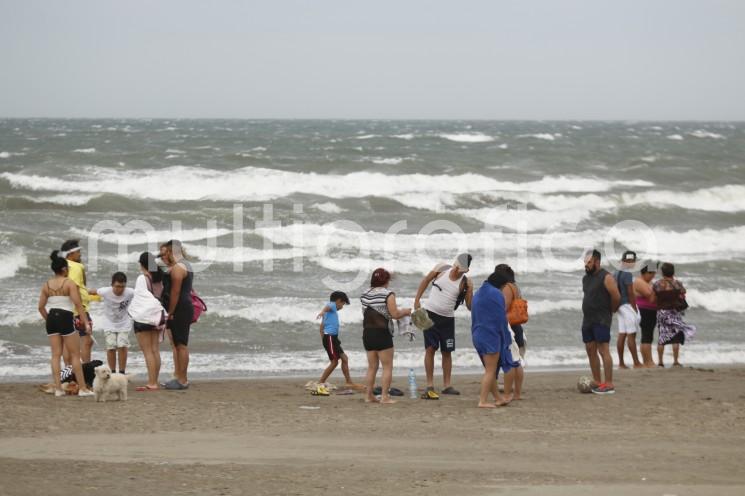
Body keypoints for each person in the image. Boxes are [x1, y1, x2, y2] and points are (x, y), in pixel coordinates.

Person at [413, 253, 473, 399]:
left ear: (466, 271)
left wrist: (470, 290)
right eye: (457, 267)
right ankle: (429, 385)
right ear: (455, 263)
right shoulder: (441, 268)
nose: (457, 271)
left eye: (462, 270)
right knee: (430, 349)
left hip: (447, 320)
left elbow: (470, 306)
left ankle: (447, 385)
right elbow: (426, 280)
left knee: (447, 351)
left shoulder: (465, 282)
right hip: (429, 314)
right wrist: (417, 300)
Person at [37, 250, 94, 397]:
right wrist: (86, 323)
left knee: (55, 355)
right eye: (67, 268)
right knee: (75, 354)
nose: (69, 270)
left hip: (52, 317)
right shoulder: (69, 283)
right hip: (65, 316)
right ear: (63, 269)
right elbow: (78, 304)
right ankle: (82, 388)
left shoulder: (46, 285)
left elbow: (41, 307)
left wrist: (49, 320)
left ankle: (58, 389)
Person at [360, 268, 411, 404]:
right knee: (387, 367)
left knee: (372, 367)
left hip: (368, 333)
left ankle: (368, 396)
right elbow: (394, 314)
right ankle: (384, 397)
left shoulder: (365, 294)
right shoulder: (389, 294)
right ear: (386, 280)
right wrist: (406, 312)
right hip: (382, 333)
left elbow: (366, 312)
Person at [470, 269, 520, 408]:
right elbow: (501, 319)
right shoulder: (496, 293)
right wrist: (506, 339)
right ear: (501, 284)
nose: (505, 288)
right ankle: (483, 401)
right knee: (491, 371)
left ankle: (498, 398)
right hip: (490, 335)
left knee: (488, 370)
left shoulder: (479, 293)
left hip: (476, 334)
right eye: (504, 285)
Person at [582, 249, 621, 395]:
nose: (586, 265)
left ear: (597, 262)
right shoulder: (585, 278)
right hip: (588, 319)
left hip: (602, 318)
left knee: (603, 349)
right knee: (590, 349)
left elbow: (616, 296)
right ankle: (598, 381)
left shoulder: (607, 277)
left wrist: (612, 310)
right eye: (585, 262)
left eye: (589, 262)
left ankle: (609, 383)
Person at [128, 252, 167, 391]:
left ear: (142, 264)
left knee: (147, 352)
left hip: (143, 317)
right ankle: (154, 380)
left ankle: (152, 383)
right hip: (157, 316)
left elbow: (139, 299)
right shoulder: (159, 278)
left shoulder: (142, 278)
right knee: (155, 350)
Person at [160, 240, 194, 390]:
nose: (165, 254)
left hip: (180, 308)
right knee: (179, 344)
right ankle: (180, 377)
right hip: (185, 306)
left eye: (166, 252)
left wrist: (171, 312)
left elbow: (175, 292)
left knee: (181, 345)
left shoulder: (178, 268)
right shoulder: (185, 265)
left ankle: (182, 379)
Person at [87, 272, 134, 374]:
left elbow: (144, 294)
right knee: (111, 346)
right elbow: (91, 291)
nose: (120, 289)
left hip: (124, 323)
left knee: (122, 346)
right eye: (117, 286)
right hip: (109, 323)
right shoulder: (105, 291)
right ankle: (112, 372)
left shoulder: (130, 292)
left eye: (122, 287)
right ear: (112, 285)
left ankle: (122, 372)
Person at [653, 263, 696, 367]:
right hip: (674, 312)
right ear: (673, 272)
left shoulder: (657, 284)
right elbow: (683, 292)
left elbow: (653, 298)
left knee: (662, 336)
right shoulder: (677, 283)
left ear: (662, 272)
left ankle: (660, 362)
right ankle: (675, 361)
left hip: (662, 312)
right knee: (675, 336)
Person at [60, 239, 94, 363]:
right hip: (77, 310)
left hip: (65, 309)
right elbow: (73, 286)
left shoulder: (63, 266)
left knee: (67, 344)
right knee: (87, 342)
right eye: (78, 251)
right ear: (71, 253)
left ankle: (69, 375)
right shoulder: (76, 266)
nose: (80, 254)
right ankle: (85, 372)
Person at [493, 264, 525, 400]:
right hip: (516, 326)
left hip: (509, 327)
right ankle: (517, 393)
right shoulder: (515, 286)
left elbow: (503, 308)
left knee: (512, 361)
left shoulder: (506, 287)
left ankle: (512, 393)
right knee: (517, 360)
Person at [315, 291, 357, 388]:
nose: (342, 307)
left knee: (345, 359)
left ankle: (349, 382)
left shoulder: (329, 312)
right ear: (338, 301)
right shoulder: (331, 306)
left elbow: (321, 328)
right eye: (343, 304)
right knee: (334, 362)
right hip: (330, 338)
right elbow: (328, 306)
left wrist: (324, 340)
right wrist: (322, 311)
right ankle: (320, 382)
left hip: (331, 338)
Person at [614, 251, 643, 369]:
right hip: (627, 305)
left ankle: (621, 363)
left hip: (619, 306)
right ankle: (636, 362)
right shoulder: (627, 274)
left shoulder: (616, 272)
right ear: (629, 261)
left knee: (622, 334)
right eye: (633, 261)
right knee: (631, 334)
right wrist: (635, 308)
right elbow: (630, 292)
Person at [634, 261, 659, 368]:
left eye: (654, 273)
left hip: (650, 311)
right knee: (647, 336)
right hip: (645, 310)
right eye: (651, 273)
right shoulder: (639, 282)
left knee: (648, 336)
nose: (653, 276)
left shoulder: (649, 282)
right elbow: (650, 295)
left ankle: (647, 361)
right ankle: (648, 361)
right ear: (645, 272)